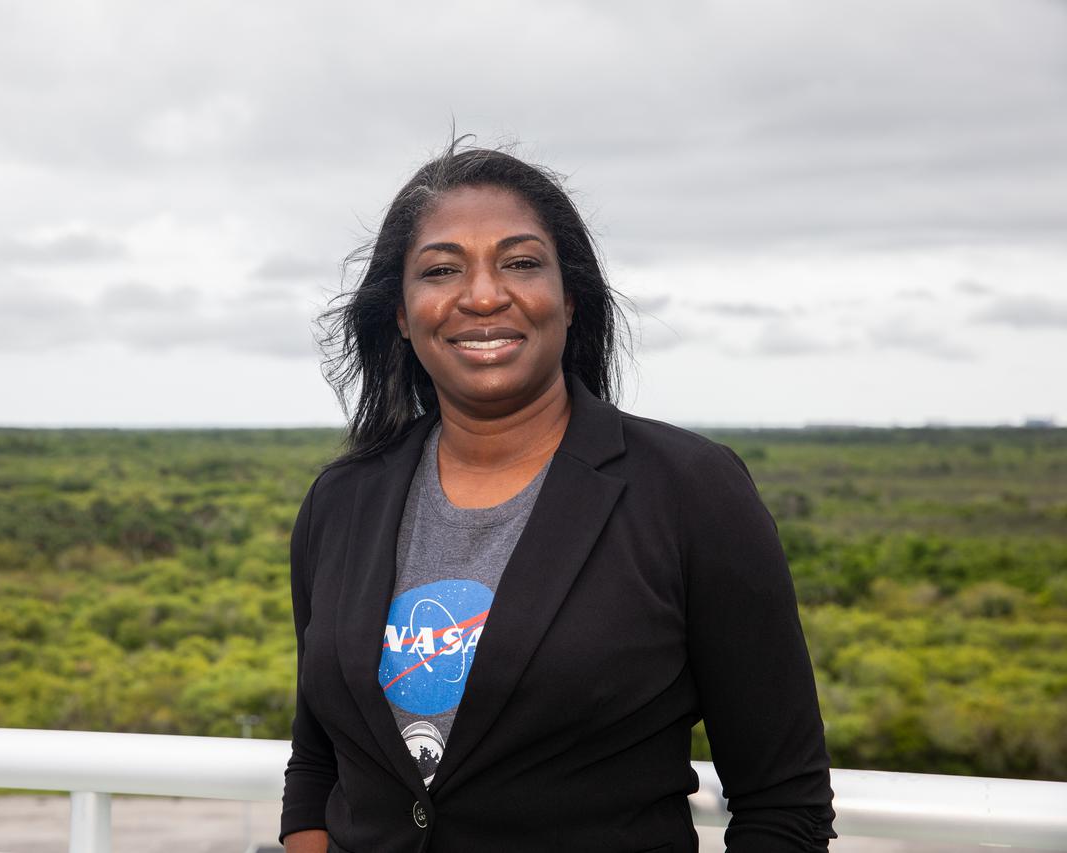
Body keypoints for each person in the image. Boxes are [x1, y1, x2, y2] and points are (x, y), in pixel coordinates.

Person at [280, 141, 836, 853]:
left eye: (519, 262)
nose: (482, 295)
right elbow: (319, 758)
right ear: (400, 311)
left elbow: (783, 801)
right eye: (442, 269)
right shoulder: (342, 501)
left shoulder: (689, 491)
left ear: (569, 299)